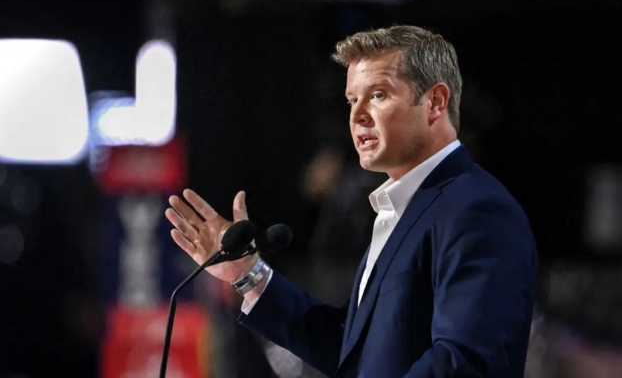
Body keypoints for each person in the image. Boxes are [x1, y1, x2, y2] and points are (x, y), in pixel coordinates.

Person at [165, 25, 538, 377]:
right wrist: (248, 275)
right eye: (351, 100)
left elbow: (466, 363)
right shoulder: (404, 210)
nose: (357, 116)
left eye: (378, 95)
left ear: (436, 102)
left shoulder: (476, 210)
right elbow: (352, 352)